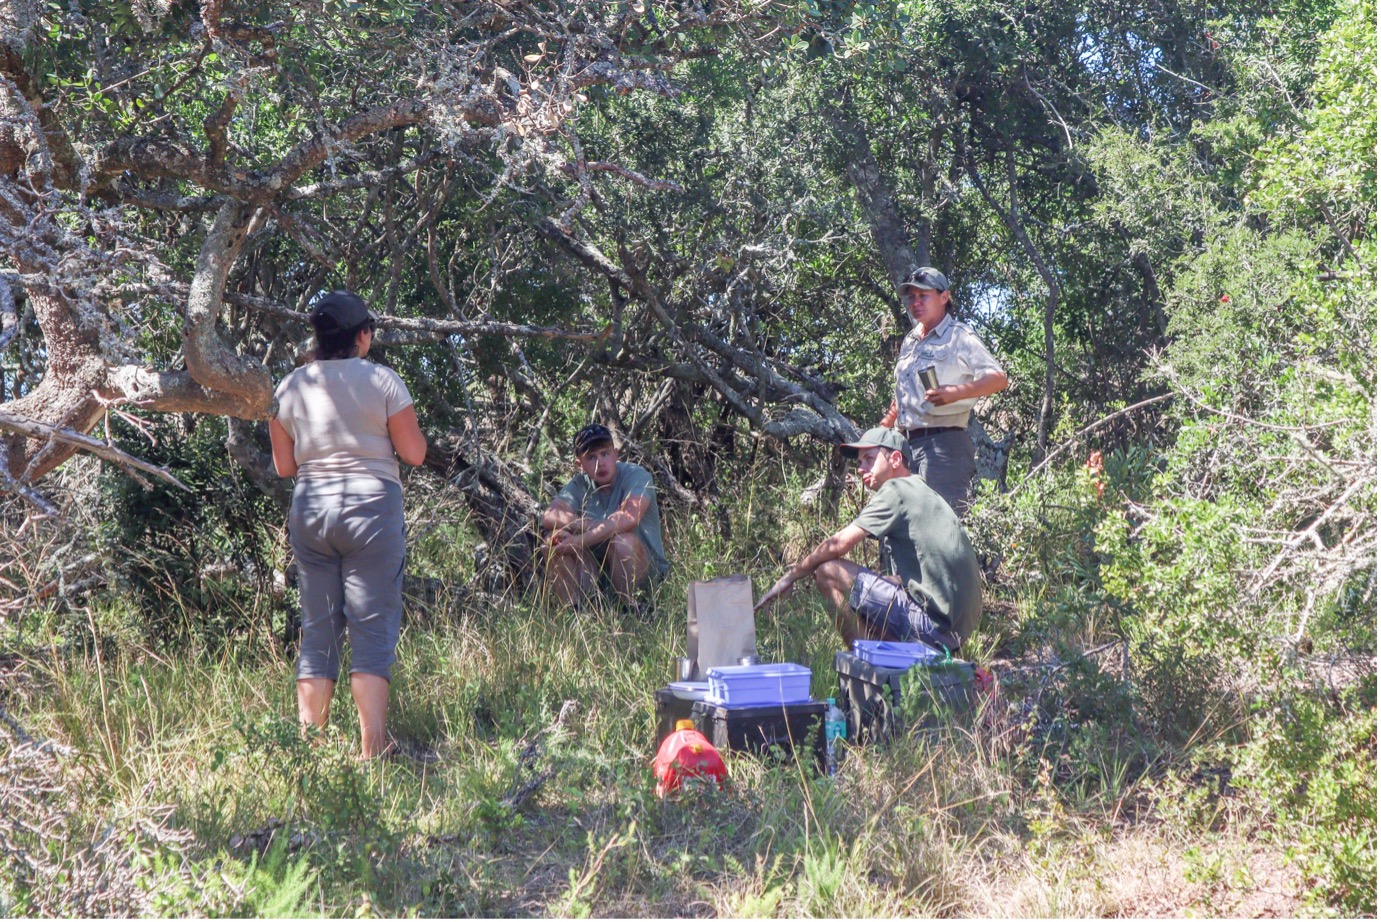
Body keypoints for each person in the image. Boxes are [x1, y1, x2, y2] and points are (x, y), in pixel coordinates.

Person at [268, 289, 427, 759]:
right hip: (372, 509)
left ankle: (309, 750)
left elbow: (284, 467)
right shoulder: (383, 381)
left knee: (318, 632)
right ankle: (373, 749)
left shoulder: (289, 387)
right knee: (371, 633)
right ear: (363, 336)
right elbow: (415, 453)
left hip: (311, 511)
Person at [754, 427, 983, 653]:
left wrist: (789, 577)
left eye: (869, 459)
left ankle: (869, 663)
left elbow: (839, 544)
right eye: (860, 462)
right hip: (955, 632)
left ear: (895, 459)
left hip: (933, 629)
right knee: (880, 585)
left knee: (828, 572)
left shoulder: (896, 489)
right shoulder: (920, 490)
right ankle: (890, 655)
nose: (862, 468)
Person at [879, 266, 1008, 515]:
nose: (916, 303)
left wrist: (956, 392)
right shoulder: (911, 340)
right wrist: (883, 427)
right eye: (912, 297)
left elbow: (998, 379)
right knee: (908, 525)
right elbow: (903, 395)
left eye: (923, 296)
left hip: (944, 446)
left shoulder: (959, 336)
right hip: (906, 447)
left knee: (942, 525)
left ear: (944, 297)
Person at [541, 424, 669, 608]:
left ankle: (631, 609)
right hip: (601, 574)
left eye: (605, 454)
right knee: (553, 542)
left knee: (622, 543)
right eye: (591, 457)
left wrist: (578, 541)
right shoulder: (579, 484)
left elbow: (627, 518)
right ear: (580, 465)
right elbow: (550, 515)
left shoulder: (637, 475)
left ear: (616, 454)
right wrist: (588, 525)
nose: (600, 463)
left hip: (646, 574)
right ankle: (575, 612)